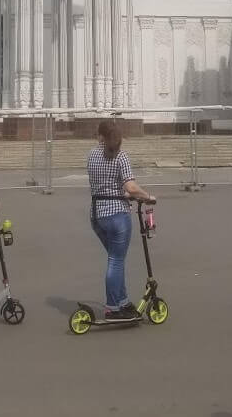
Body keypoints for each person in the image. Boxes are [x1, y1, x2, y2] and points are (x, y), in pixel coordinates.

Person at [88, 119, 156, 321]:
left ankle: (123, 301)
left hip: (97, 214)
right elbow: (131, 187)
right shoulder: (121, 156)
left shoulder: (92, 154)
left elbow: (107, 185)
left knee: (115, 259)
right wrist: (148, 196)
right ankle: (112, 307)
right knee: (116, 261)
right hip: (117, 216)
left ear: (99, 135)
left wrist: (123, 193)